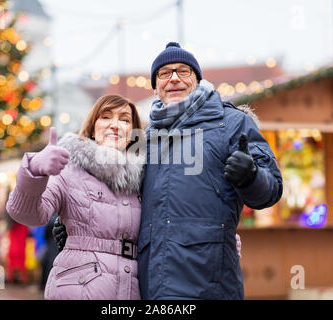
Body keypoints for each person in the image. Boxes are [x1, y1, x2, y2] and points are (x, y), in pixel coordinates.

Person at [54, 42, 282, 300]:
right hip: (153, 284)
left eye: (183, 71)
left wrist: (251, 177)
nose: (173, 78)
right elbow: (120, 194)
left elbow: (270, 190)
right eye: (164, 73)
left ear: (197, 79)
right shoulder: (145, 138)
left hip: (209, 281)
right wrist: (79, 226)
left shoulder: (230, 123)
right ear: (155, 87)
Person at [6, 95, 146, 299]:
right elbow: (25, 214)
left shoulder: (143, 179)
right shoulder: (69, 170)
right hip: (78, 287)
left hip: (129, 291)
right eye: (106, 117)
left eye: (125, 119)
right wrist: (34, 171)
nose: (115, 125)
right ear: (92, 127)